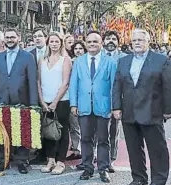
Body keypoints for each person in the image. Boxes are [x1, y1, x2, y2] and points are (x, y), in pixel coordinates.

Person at [112, 29, 171, 185]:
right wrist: (116, 107)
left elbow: (168, 86)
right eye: (134, 40)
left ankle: (158, 180)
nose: (137, 43)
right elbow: (117, 85)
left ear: (148, 41)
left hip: (152, 111)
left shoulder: (161, 60)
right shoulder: (123, 61)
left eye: (140, 40)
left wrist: (168, 110)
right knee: (134, 150)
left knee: (157, 150)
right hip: (129, 112)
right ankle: (139, 179)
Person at [0, 28, 37, 174]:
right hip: (2, 100)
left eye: (12, 37)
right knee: (3, 132)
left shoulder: (28, 57)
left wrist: (34, 104)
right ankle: (4, 160)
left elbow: (32, 81)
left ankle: (22, 161)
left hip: (22, 100)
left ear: (18, 38)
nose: (10, 40)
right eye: (7, 37)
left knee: (22, 132)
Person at [69, 31, 117, 183]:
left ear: (101, 43)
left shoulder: (110, 62)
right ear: (86, 43)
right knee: (86, 139)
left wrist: (114, 106)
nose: (92, 45)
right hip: (83, 106)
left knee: (103, 139)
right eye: (89, 42)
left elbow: (114, 86)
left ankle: (103, 169)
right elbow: (74, 84)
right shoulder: (78, 61)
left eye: (95, 42)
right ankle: (88, 167)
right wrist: (73, 104)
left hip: (103, 106)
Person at [37, 33, 72, 175]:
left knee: (62, 131)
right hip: (45, 101)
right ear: (48, 43)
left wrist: (55, 102)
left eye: (57, 41)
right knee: (48, 131)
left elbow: (65, 83)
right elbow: (38, 81)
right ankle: (50, 160)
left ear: (61, 43)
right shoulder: (42, 59)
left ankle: (61, 162)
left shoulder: (66, 60)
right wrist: (42, 101)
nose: (54, 44)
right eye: (51, 41)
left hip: (61, 101)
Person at [102, 30, 127, 173]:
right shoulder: (98, 57)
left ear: (118, 42)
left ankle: (111, 159)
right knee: (98, 132)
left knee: (113, 131)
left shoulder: (124, 58)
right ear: (103, 41)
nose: (111, 41)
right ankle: (98, 158)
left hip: (117, 101)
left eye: (113, 39)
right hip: (100, 100)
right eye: (108, 39)